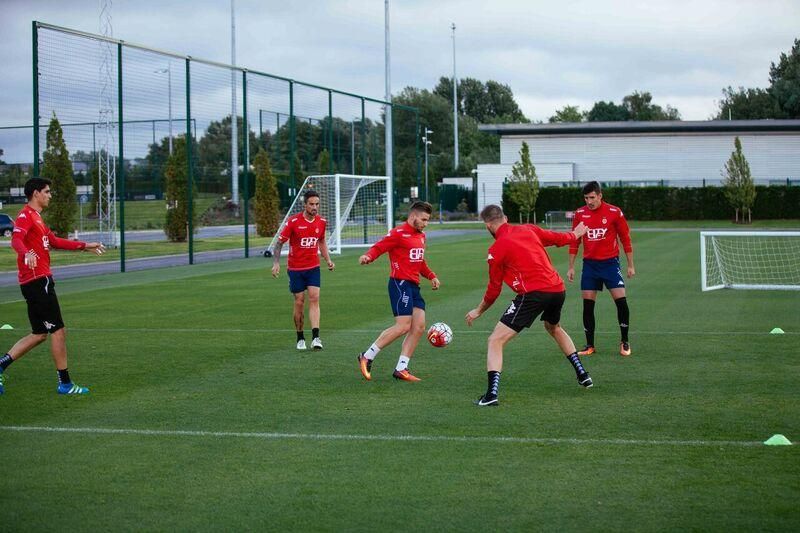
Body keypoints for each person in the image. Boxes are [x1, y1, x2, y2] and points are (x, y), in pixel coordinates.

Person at [465, 204, 591, 407]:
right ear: (505, 218)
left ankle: (491, 395)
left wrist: (478, 310)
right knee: (554, 327)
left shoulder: (496, 249)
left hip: (534, 294)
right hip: (557, 289)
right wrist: (575, 234)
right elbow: (558, 239)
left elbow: (493, 291)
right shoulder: (529, 229)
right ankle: (583, 374)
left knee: (495, 340)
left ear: (487, 224)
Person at [0, 177, 105, 396]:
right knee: (58, 330)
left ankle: (1, 365)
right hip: (38, 280)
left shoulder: (37, 219)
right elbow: (16, 240)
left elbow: (55, 241)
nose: (50, 195)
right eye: (47, 191)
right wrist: (26, 252)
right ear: (36, 193)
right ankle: (65, 384)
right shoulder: (25, 216)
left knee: (39, 333)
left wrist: (85, 246)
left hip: (35, 281)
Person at [357, 201, 440, 382]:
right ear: (413, 216)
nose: (426, 223)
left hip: (413, 286)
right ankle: (367, 356)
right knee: (403, 326)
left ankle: (401, 368)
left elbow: (420, 261)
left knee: (418, 327)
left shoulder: (421, 236)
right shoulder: (398, 233)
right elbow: (380, 247)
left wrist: (431, 275)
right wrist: (368, 256)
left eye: (427, 220)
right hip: (399, 283)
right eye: (424, 219)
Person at [567, 181, 635, 357]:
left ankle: (625, 341)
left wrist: (630, 265)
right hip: (590, 265)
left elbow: (625, 237)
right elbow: (575, 240)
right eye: (586, 198)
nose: (589, 201)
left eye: (592, 197)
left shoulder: (614, 212)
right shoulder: (580, 214)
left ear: (600, 195)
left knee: (621, 301)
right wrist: (571, 267)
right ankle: (590, 345)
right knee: (588, 305)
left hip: (610, 264)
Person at [271, 190, 335, 350]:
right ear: (305, 205)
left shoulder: (321, 222)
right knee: (299, 301)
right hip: (295, 269)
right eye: (312, 204)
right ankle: (300, 337)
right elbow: (279, 243)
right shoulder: (293, 222)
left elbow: (321, 242)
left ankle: (316, 338)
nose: (315, 207)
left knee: (314, 298)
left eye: (317, 204)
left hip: (313, 267)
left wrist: (328, 260)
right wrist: (276, 263)